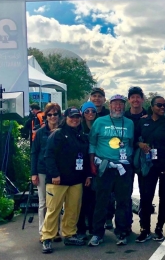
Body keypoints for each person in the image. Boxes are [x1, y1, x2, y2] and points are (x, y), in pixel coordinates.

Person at [41, 107, 92, 253]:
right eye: (72, 117)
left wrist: (88, 175)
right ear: (66, 118)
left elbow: (85, 158)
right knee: (53, 210)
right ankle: (47, 238)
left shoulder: (81, 135)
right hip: (57, 180)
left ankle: (69, 234)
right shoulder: (57, 134)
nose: (75, 120)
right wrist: (54, 174)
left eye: (77, 117)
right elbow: (48, 155)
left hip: (76, 180)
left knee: (73, 210)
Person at [88, 94, 135, 247]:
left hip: (123, 168)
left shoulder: (129, 123)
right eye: (115, 104)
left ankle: (121, 232)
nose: (118, 107)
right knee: (101, 201)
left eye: (121, 104)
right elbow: (92, 143)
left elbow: (131, 143)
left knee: (123, 201)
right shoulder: (100, 122)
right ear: (110, 106)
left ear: (124, 106)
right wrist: (92, 164)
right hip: (105, 167)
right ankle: (97, 233)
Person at [134, 96, 165, 243]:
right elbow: (133, 139)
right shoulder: (143, 122)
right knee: (146, 197)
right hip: (147, 166)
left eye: (164, 105)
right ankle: (145, 229)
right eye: (159, 105)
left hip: (164, 165)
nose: (162, 108)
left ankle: (159, 227)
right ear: (152, 106)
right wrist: (140, 144)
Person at [31, 102, 61, 243]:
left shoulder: (63, 131)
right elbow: (34, 153)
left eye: (55, 114)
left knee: (56, 202)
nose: (53, 117)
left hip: (58, 170)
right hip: (42, 170)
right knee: (43, 202)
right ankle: (43, 232)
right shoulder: (39, 133)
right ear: (46, 116)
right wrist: (33, 173)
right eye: (50, 114)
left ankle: (55, 231)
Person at [76, 101, 97, 240]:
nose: (90, 113)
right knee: (81, 199)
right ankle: (81, 228)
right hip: (81, 167)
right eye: (87, 111)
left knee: (93, 199)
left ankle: (93, 227)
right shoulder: (78, 127)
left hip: (95, 166)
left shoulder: (98, 126)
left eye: (93, 111)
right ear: (83, 113)